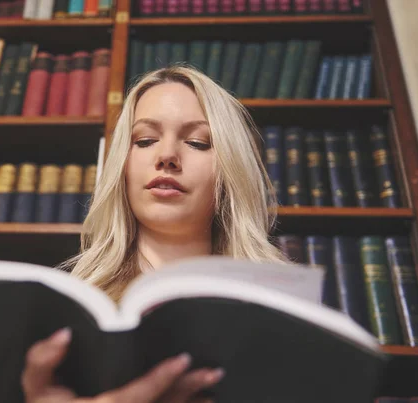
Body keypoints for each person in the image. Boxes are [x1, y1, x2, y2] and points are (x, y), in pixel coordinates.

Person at [21, 65, 288, 402]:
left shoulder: (278, 310)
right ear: (123, 164)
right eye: (145, 140)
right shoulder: (63, 313)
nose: (167, 157)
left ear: (229, 171)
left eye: (197, 142)